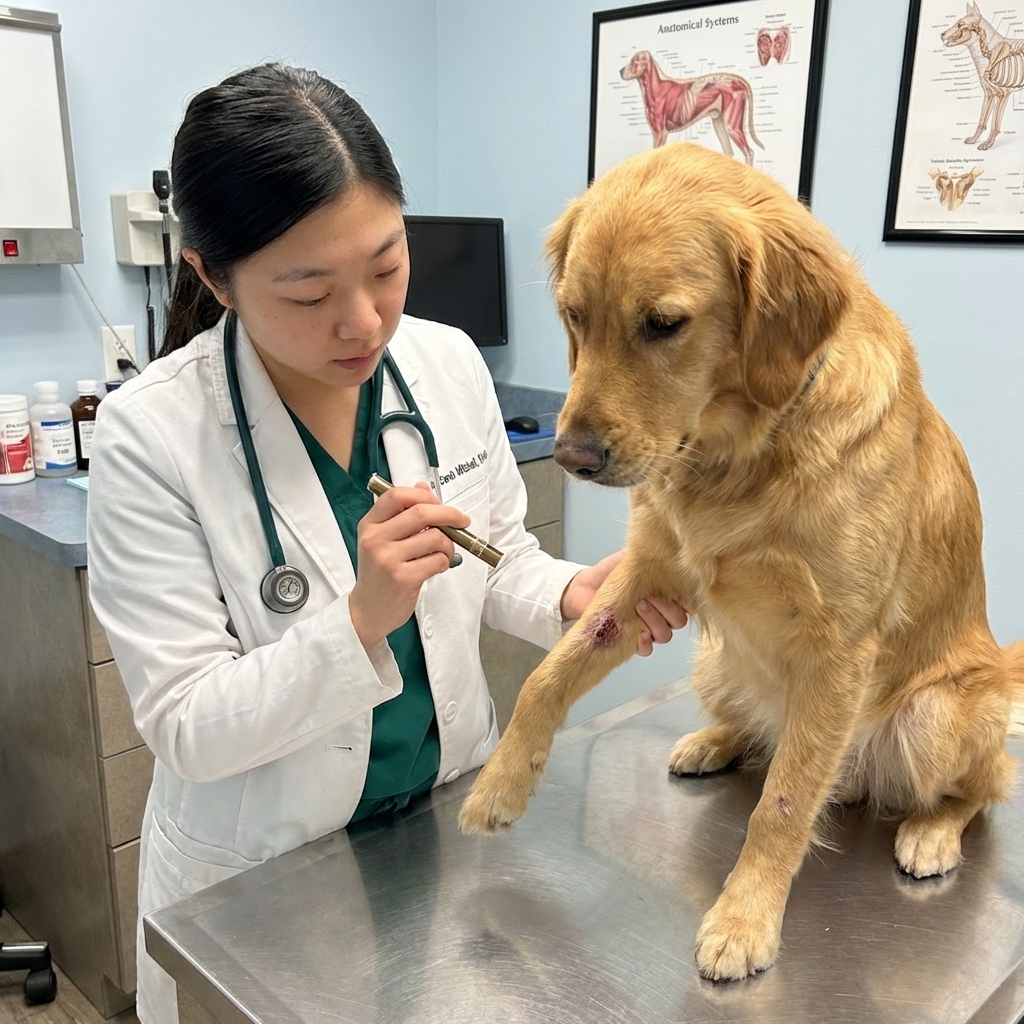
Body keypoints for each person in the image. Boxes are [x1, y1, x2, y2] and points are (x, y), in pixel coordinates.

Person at [86, 64, 688, 1024]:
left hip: (443, 833)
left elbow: (502, 561)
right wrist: (362, 617)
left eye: (386, 265)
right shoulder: (150, 438)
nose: (363, 321)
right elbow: (188, 727)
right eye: (309, 290)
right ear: (211, 275)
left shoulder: (443, 363)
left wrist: (574, 594)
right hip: (266, 883)